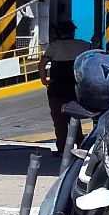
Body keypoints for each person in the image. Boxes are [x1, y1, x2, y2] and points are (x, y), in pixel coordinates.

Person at [38, 20, 90, 155]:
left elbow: (42, 64)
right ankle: (81, 147)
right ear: (73, 32)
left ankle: (62, 149)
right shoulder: (83, 45)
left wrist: (44, 80)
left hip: (57, 89)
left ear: (58, 33)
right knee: (75, 119)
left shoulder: (54, 47)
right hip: (76, 89)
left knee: (59, 121)